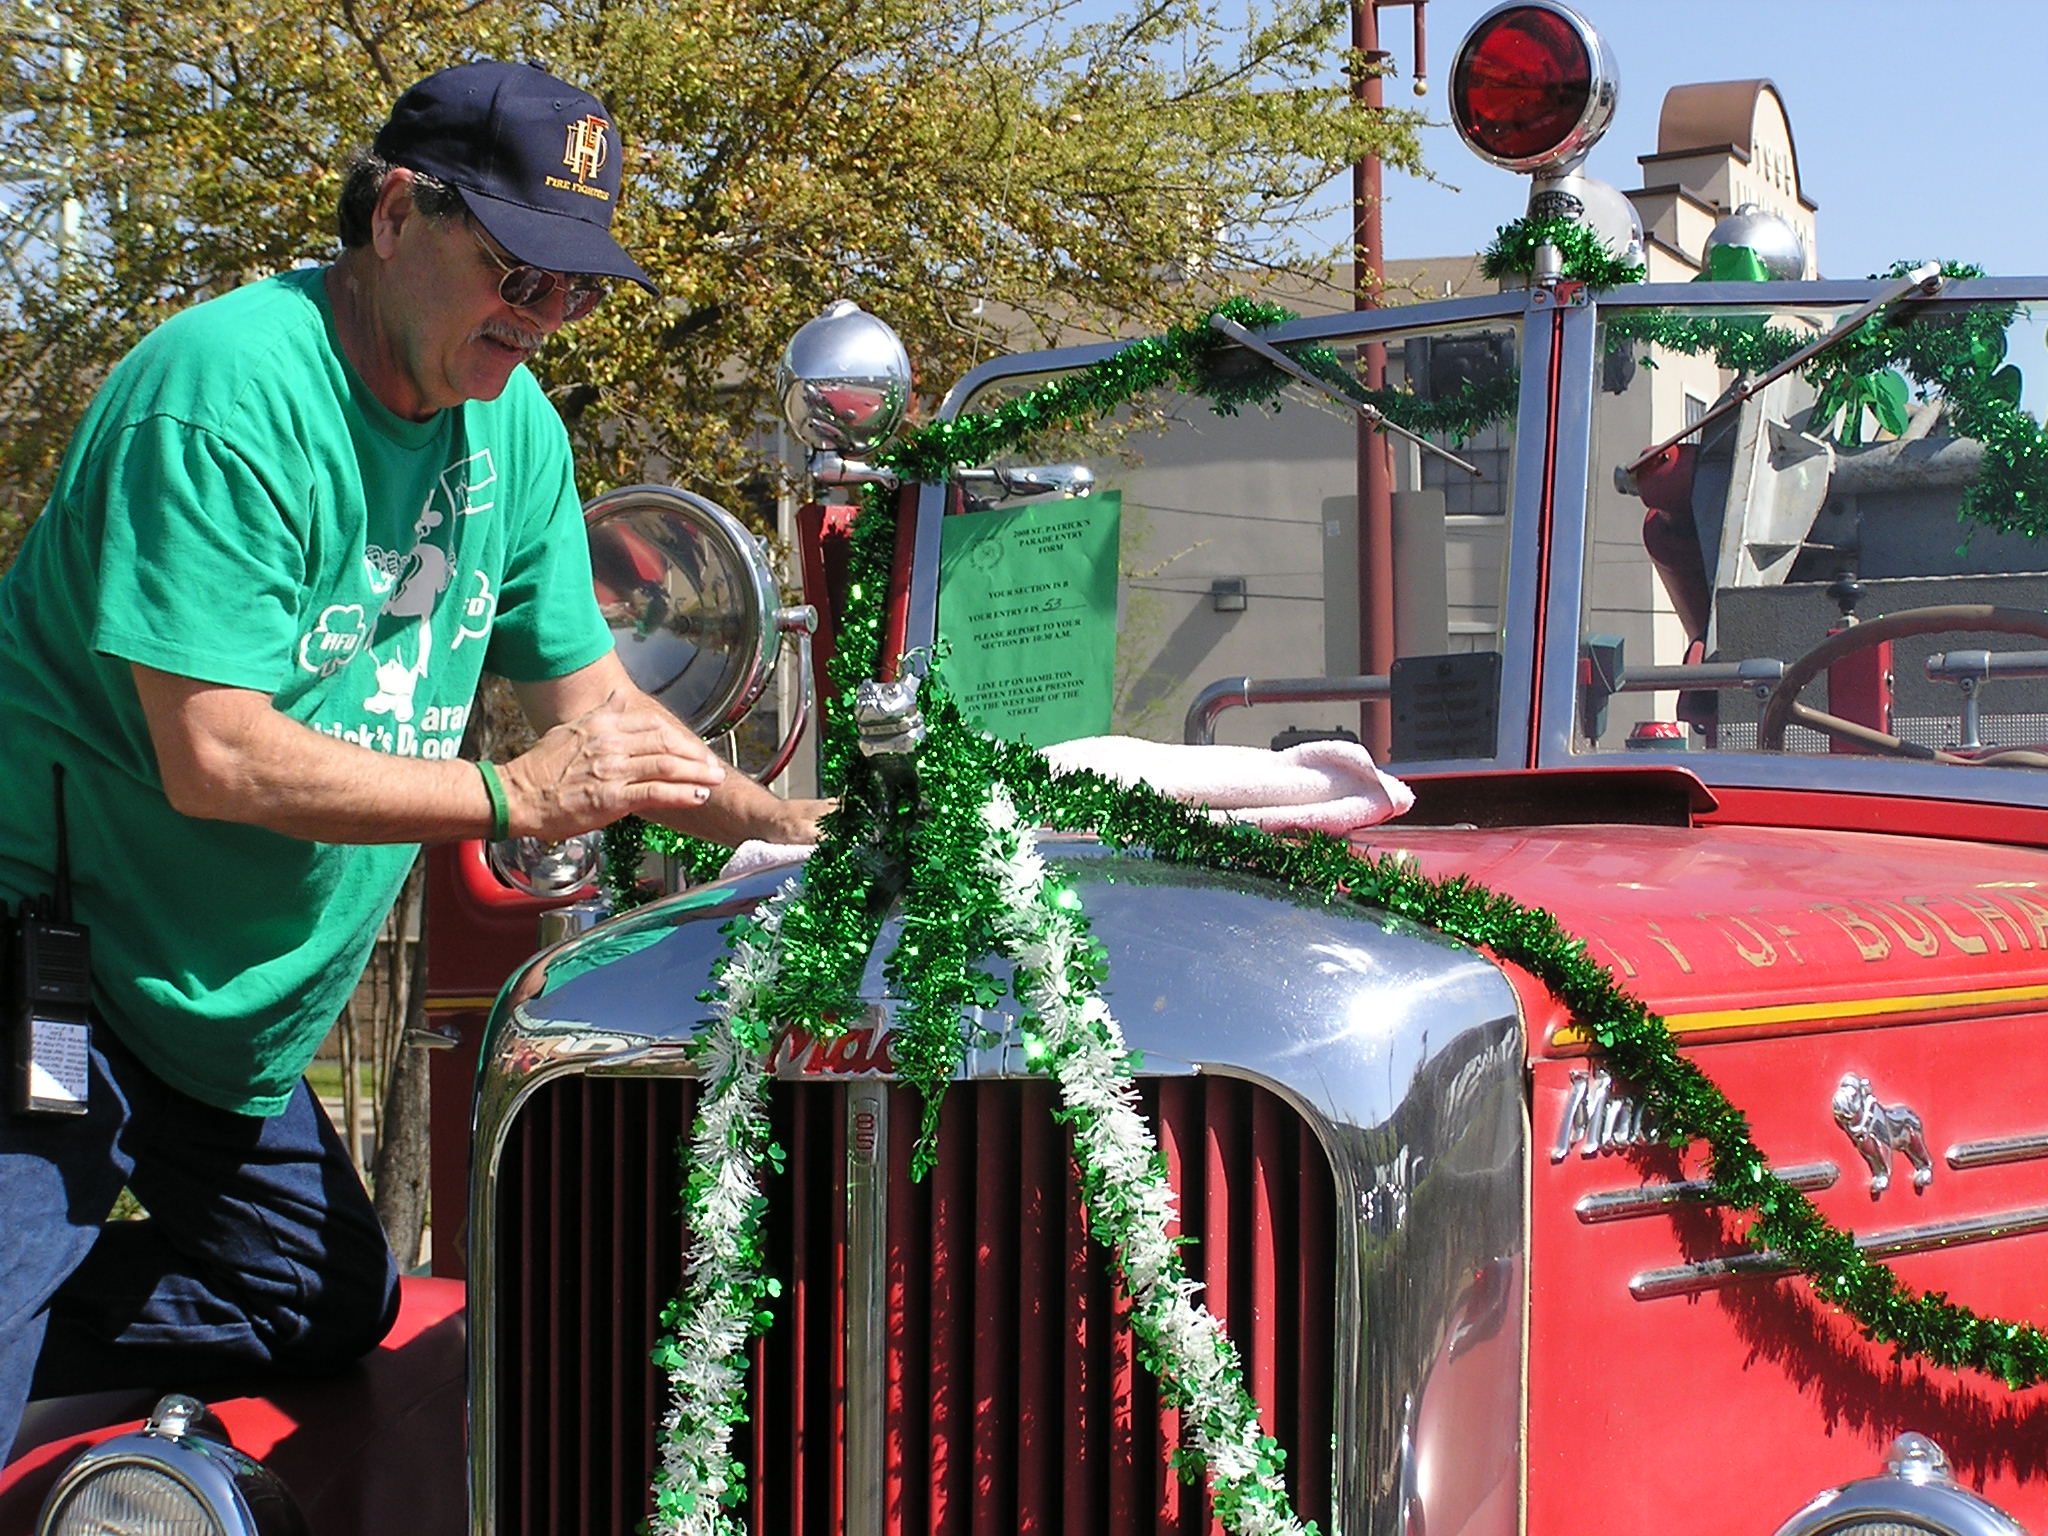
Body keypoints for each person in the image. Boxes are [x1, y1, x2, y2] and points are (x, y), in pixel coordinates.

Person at [0, 59, 826, 1464]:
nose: (543, 317)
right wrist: (508, 797)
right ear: (394, 215)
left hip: (228, 1017)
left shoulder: (516, 436)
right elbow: (215, 757)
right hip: (51, 957)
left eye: (575, 288)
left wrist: (782, 824)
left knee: (320, 1304)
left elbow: (605, 723)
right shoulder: (222, 395)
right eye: (516, 269)